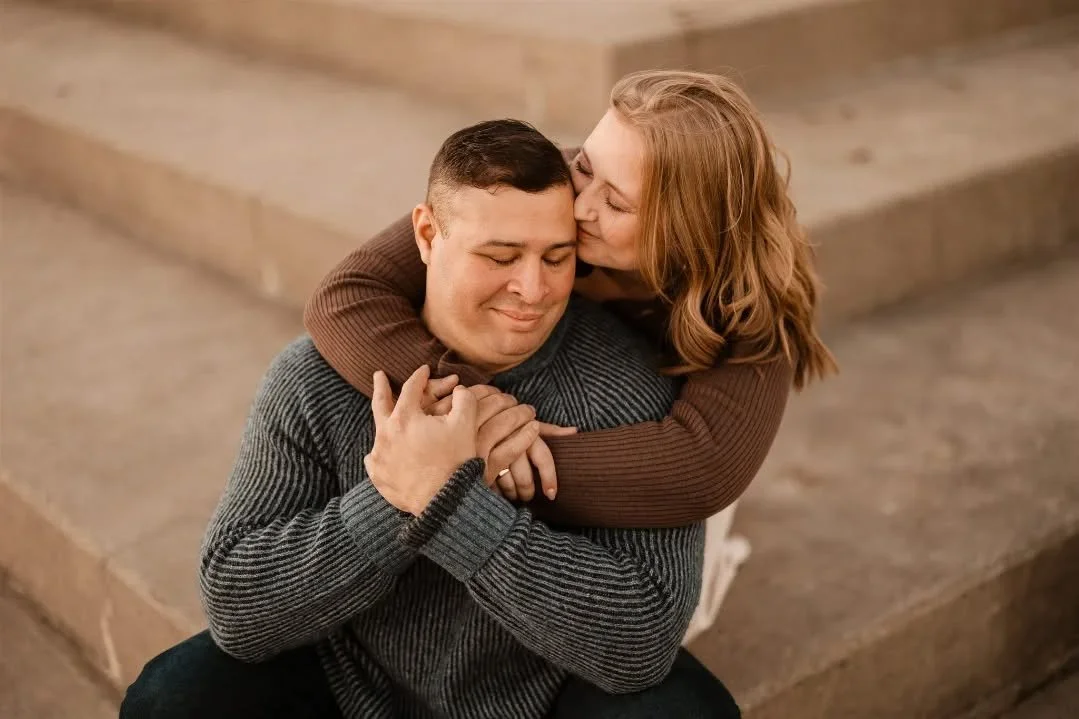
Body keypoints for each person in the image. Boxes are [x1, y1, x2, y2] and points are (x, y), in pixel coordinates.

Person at [120, 119, 739, 718]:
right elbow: (235, 604)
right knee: (173, 697)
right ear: (425, 235)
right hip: (347, 685)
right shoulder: (315, 378)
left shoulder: (628, 387)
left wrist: (454, 509)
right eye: (499, 257)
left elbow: (642, 641)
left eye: (557, 257)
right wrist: (396, 493)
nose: (534, 289)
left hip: (546, 695)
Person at [303, 69, 836, 530]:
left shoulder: (750, 305)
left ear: (684, 230)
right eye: (586, 166)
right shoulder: (556, 184)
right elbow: (343, 297)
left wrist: (483, 459)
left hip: (624, 451)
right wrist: (472, 407)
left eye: (617, 204)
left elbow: (701, 470)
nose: (579, 207)